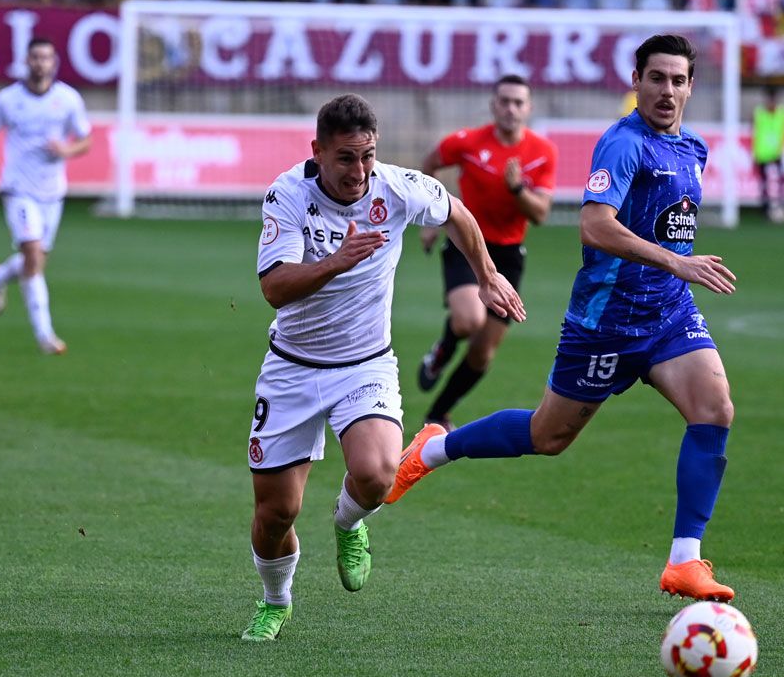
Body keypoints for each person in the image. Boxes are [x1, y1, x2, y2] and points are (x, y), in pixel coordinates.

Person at [388, 34, 741, 603]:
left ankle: (685, 561)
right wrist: (678, 260)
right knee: (546, 436)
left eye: (678, 80)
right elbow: (594, 225)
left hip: (669, 313)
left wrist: (675, 274)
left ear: (691, 86)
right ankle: (432, 449)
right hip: (606, 320)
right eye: (656, 78)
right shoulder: (623, 145)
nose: (667, 91)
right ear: (637, 82)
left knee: (715, 408)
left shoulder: (694, 148)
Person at [241, 93, 524, 641]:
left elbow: (457, 213)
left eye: (368, 155)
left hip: (364, 364)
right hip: (292, 368)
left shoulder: (397, 187)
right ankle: (276, 600)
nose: (360, 170)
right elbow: (274, 288)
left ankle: (348, 522)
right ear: (317, 152)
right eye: (346, 158)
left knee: (376, 475)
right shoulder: (288, 195)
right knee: (276, 514)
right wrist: (335, 262)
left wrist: (486, 274)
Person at [416, 74, 557, 430]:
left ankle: (438, 413)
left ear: (529, 108)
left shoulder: (543, 152)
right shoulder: (466, 142)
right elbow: (428, 166)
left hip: (509, 255)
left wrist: (517, 190)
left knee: (483, 352)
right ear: (493, 105)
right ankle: (441, 353)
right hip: (467, 242)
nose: (511, 108)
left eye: (518, 102)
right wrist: (430, 221)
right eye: (504, 101)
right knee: (469, 321)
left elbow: (539, 214)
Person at [0, 37, 92, 355]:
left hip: (52, 191)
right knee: (32, 256)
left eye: (46, 58)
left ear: (54, 63)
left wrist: (66, 149)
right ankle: (45, 335)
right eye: (35, 57)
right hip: (18, 189)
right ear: (26, 61)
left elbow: (86, 140)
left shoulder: (68, 99)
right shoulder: (8, 99)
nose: (40, 63)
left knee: (37, 260)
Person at [751, 85, 784, 223]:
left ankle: (782, 206)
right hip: (763, 153)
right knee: (764, 183)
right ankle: (766, 209)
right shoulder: (759, 113)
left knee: (780, 182)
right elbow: (756, 132)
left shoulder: (783, 113)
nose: (771, 103)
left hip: (778, 153)